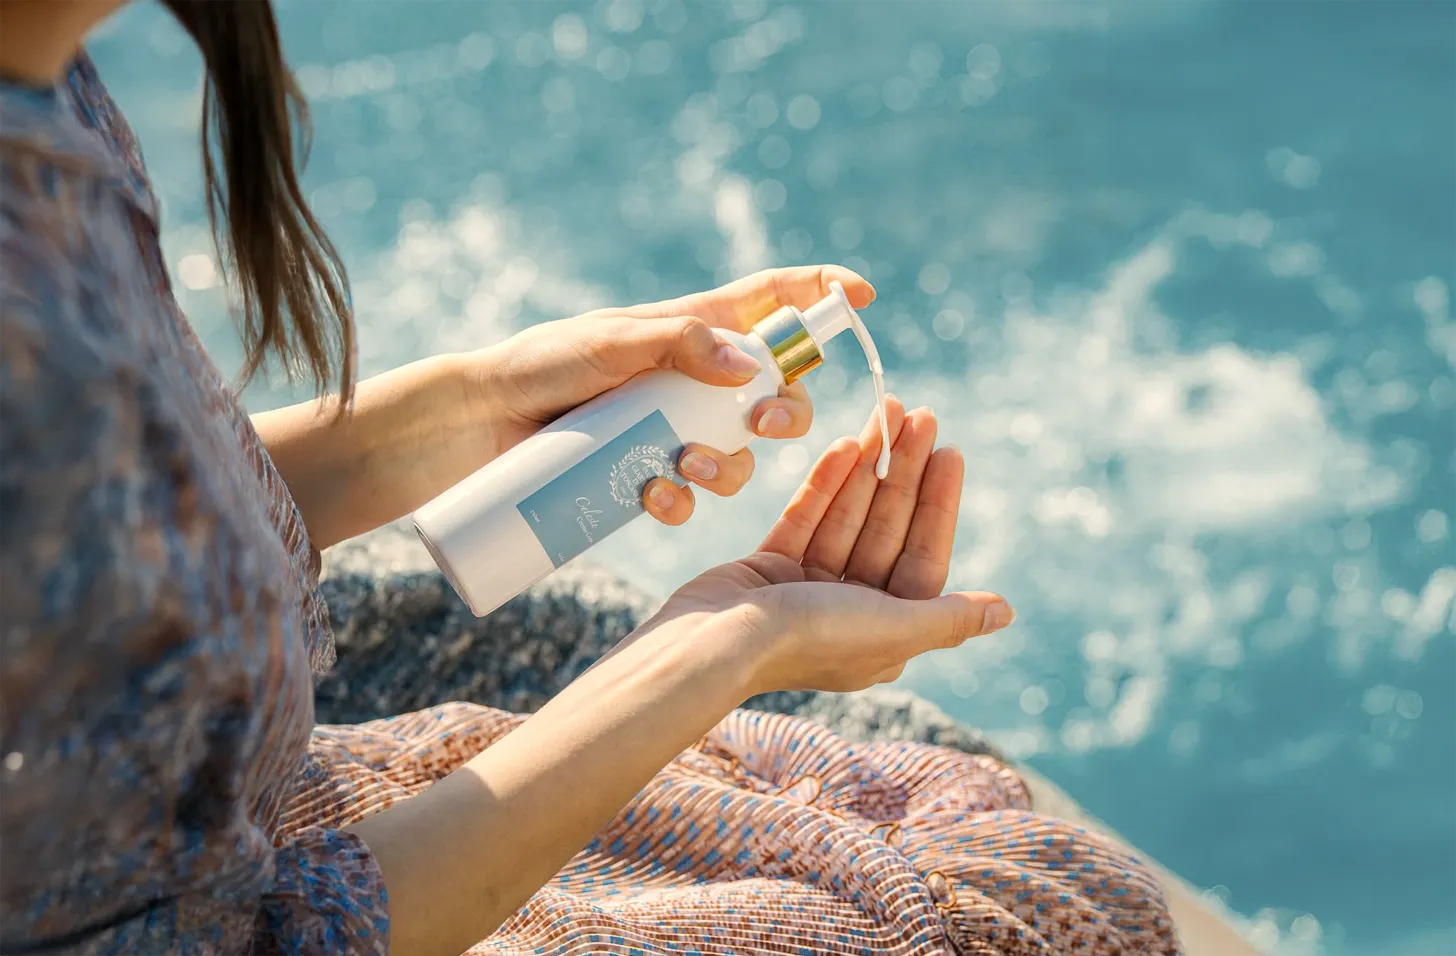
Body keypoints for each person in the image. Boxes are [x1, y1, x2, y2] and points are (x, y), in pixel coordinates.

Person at [0, 2, 1181, 954]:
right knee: (1048, 906)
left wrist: (476, 399)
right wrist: (723, 652)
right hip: (269, 885)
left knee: (977, 840)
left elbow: (113, 541)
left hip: (247, 819)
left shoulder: (50, 92)